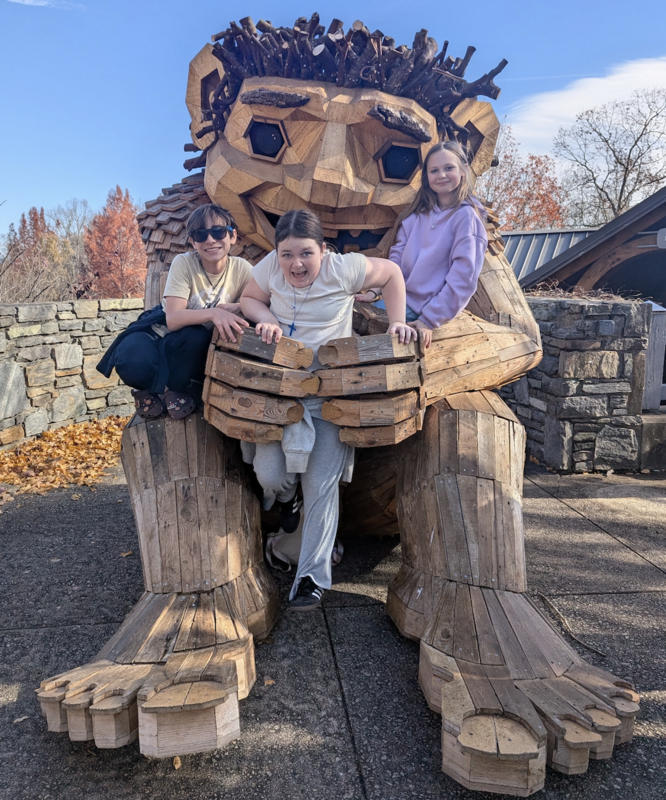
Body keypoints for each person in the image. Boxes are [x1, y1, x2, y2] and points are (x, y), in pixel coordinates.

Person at [240, 209, 416, 610]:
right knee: (270, 475)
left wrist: (397, 321)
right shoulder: (270, 266)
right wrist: (266, 318)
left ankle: (312, 578)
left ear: (323, 250)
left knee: (321, 486)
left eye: (305, 254)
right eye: (287, 255)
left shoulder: (344, 269)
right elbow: (249, 298)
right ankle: (287, 502)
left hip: (331, 395)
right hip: (284, 393)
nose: (295, 264)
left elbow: (391, 274)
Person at [98, 204, 252, 419]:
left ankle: (173, 389)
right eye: (201, 234)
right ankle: (145, 390)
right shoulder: (184, 262)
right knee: (130, 355)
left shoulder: (242, 268)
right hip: (159, 331)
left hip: (188, 346)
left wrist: (237, 306)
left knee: (197, 337)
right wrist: (215, 313)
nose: (210, 240)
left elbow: (259, 301)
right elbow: (173, 318)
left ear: (232, 236)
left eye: (218, 232)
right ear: (192, 241)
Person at [357, 141, 488, 348]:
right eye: (434, 170)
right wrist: (375, 290)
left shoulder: (467, 217)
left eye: (448, 168)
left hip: (425, 308)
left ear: (463, 170)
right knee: (351, 317)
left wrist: (430, 319)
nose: (441, 175)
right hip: (398, 298)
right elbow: (396, 262)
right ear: (426, 177)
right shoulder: (416, 216)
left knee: (370, 340)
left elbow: (464, 277)